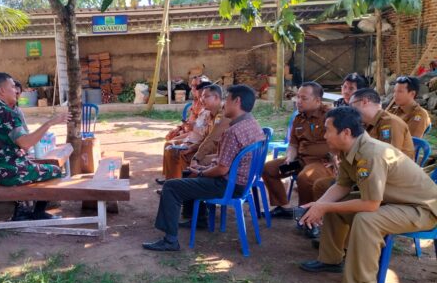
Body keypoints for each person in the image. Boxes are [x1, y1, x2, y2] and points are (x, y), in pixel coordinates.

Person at [298, 107, 437, 283]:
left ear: (345, 132)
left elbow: (370, 205)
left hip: (422, 209)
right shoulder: (351, 149)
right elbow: (342, 185)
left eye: (328, 130)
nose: (324, 135)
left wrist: (325, 207)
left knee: (366, 220)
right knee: (334, 204)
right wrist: (321, 205)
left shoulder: (370, 154)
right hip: (395, 202)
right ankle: (331, 260)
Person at [142, 85, 264, 252]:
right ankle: (198, 219)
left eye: (226, 100)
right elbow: (232, 159)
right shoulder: (253, 124)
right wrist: (204, 165)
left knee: (171, 187)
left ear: (237, 101)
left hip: (229, 186)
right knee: (187, 174)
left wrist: (201, 171)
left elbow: (221, 170)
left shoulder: (233, 131)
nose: (224, 104)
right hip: (243, 183)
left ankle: (170, 240)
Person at [0, 73, 69, 220]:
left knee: (28, 165)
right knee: (55, 170)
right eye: (13, 87)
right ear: (2, 90)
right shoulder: (7, 113)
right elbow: (26, 142)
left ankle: (20, 211)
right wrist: (50, 123)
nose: (16, 91)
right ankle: (38, 212)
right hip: (8, 172)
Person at [262, 82, 333, 218]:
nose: (298, 102)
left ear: (317, 100)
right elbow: (293, 144)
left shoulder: (330, 116)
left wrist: (336, 158)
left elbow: (341, 141)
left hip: (321, 163)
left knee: (305, 178)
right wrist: (289, 157)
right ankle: (283, 207)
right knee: (269, 169)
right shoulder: (298, 119)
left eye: (304, 98)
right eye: (298, 97)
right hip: (299, 162)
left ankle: (307, 216)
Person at [158, 82, 220, 182]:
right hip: (200, 143)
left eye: (205, 96)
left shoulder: (221, 117)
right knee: (174, 148)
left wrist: (194, 152)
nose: (202, 99)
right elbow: (206, 137)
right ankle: (173, 182)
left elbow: (210, 141)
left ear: (217, 97)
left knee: (184, 154)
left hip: (213, 153)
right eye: (201, 96)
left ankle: (182, 184)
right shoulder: (209, 113)